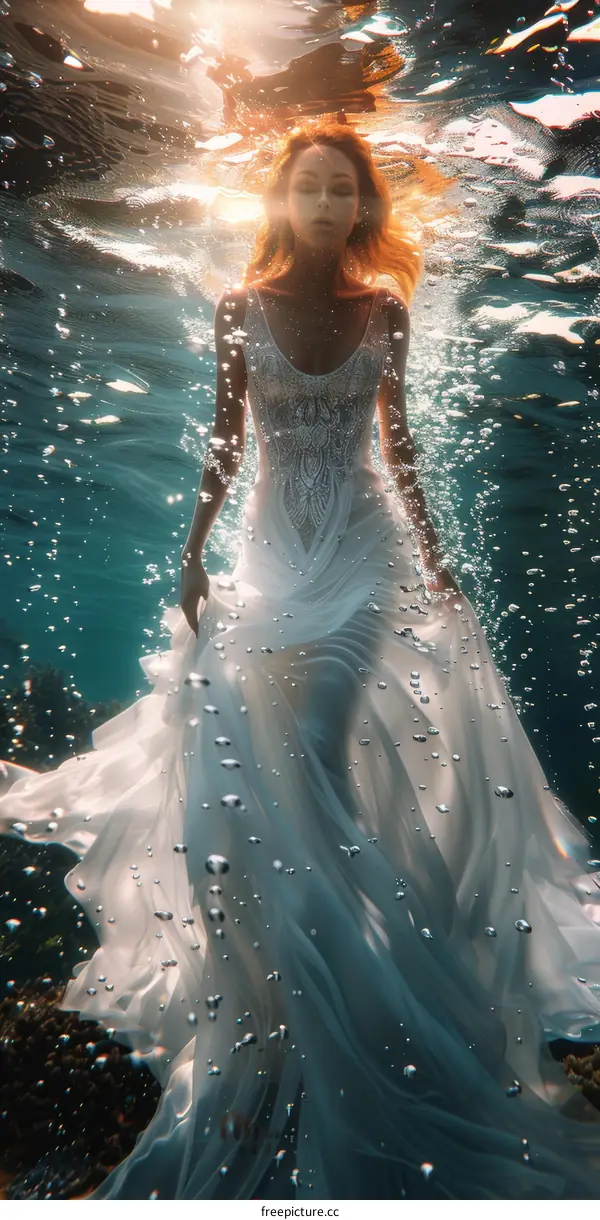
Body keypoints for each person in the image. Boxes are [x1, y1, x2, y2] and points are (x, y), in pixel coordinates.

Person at [1, 119, 600, 1202]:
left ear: (362, 206)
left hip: (365, 563)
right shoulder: (237, 310)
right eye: (308, 188)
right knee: (250, 790)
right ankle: (288, 1020)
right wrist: (192, 550)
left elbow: (400, 443)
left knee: (315, 757)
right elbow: (226, 443)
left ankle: (375, 1003)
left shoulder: (387, 311)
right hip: (270, 569)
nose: (325, 205)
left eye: (341, 190)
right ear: (283, 200)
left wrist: (439, 559)